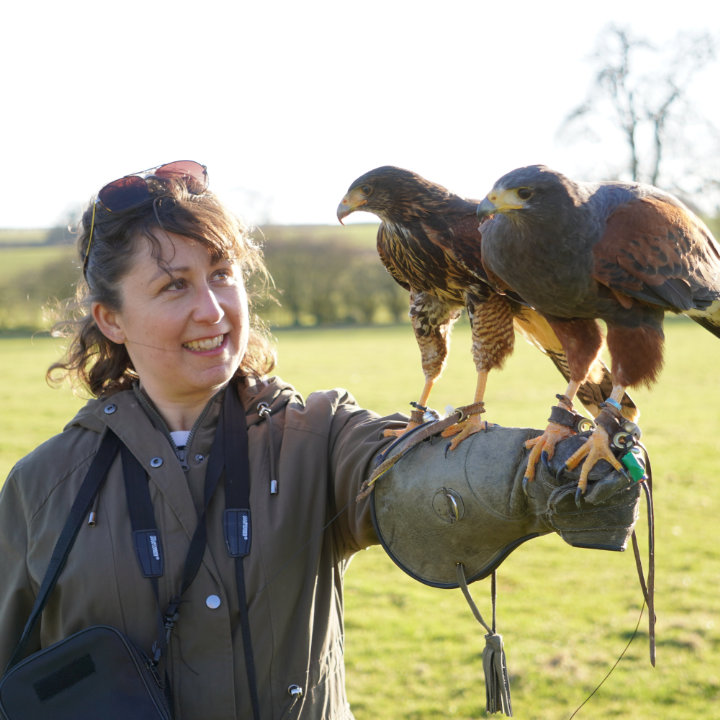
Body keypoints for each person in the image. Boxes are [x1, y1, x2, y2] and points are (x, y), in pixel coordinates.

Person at [0, 161, 407, 720]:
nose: (212, 311)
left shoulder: (320, 435)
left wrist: (543, 465)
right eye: (174, 285)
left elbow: (424, 472)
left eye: (222, 273)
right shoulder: (41, 487)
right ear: (111, 319)